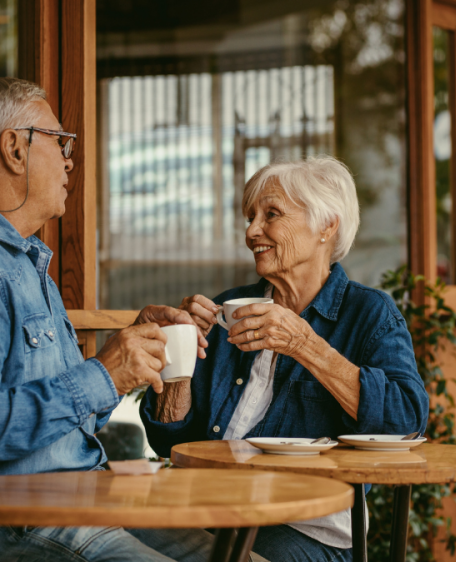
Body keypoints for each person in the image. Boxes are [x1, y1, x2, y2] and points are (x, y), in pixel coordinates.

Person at [0, 77, 219, 562]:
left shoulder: (21, 260)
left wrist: (120, 365)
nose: (69, 158)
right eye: (60, 141)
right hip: (4, 525)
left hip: (76, 504)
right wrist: (102, 374)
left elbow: (65, 420)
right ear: (14, 148)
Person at [136, 156, 429, 562]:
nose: (252, 231)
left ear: (327, 226)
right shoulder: (228, 309)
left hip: (306, 530)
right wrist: (181, 355)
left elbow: (407, 421)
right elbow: (169, 441)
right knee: (103, 539)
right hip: (209, 511)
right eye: (250, 217)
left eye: (270, 214)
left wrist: (305, 345)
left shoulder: (368, 314)